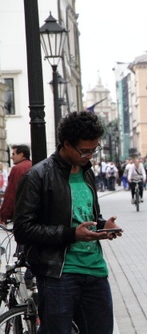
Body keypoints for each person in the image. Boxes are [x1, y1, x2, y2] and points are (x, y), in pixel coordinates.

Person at [13, 111, 123, 334]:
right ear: (66, 144)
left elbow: (87, 218)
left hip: (95, 271)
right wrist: (71, 234)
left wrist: (103, 226)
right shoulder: (38, 176)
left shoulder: (87, 173)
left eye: (94, 150)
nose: (90, 155)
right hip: (59, 275)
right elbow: (23, 230)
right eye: (85, 151)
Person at [0, 144, 32, 224]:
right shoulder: (34, 165)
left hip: (22, 213)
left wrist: (4, 215)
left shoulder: (17, 169)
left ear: (21, 155)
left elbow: (12, 192)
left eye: (13, 154)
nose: (11, 157)